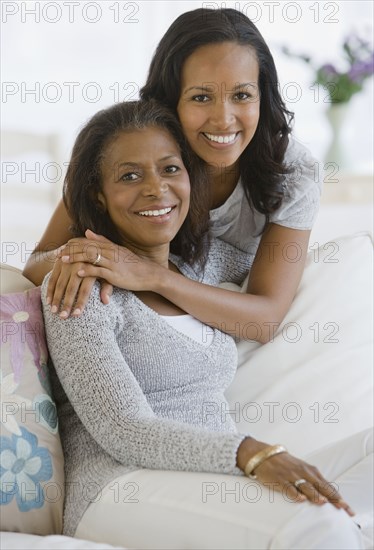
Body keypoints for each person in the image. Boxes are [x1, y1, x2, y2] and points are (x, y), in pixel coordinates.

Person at [40, 99, 370, 549]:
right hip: (120, 487)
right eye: (130, 176)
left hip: (217, 481)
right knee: (319, 527)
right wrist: (251, 453)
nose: (157, 189)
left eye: (170, 169)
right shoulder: (79, 289)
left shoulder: (203, 265)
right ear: (98, 194)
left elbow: (270, 279)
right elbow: (125, 431)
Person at [25, 8, 321, 345]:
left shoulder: (295, 172)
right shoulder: (130, 148)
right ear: (171, 99)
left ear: (261, 96)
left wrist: (153, 276)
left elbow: (265, 321)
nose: (224, 120)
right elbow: (35, 265)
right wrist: (79, 258)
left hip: (221, 332)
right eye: (201, 97)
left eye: (241, 95)